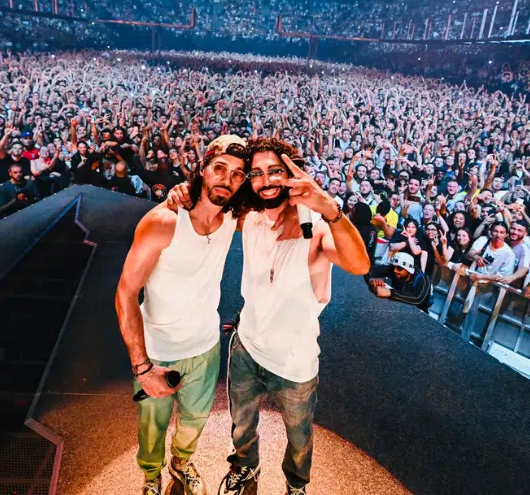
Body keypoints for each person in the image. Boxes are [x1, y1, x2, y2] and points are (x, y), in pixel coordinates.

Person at [214, 138, 370, 495]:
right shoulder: (252, 219)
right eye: (256, 173)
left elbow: (359, 264)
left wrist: (330, 209)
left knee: (299, 437)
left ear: (291, 174)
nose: (266, 180)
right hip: (246, 350)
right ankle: (245, 466)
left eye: (275, 171)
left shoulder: (316, 227)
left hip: (295, 362)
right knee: (241, 424)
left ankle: (296, 484)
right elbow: (211, 203)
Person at [115, 136, 250, 495]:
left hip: (205, 347)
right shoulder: (163, 221)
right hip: (159, 350)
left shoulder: (233, 218)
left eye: (237, 174)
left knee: (194, 421)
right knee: (152, 426)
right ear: (203, 168)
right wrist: (142, 367)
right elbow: (125, 293)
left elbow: (278, 195)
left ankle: (181, 463)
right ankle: (150, 474)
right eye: (219, 168)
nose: (226, 179)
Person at [367, 252, 433, 312]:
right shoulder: (394, 270)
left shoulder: (423, 279)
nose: (395, 270)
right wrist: (371, 280)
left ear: (408, 269)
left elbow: (418, 298)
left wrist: (390, 293)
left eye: (399, 268)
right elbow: (368, 270)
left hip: (418, 313)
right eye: (394, 267)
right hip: (397, 308)